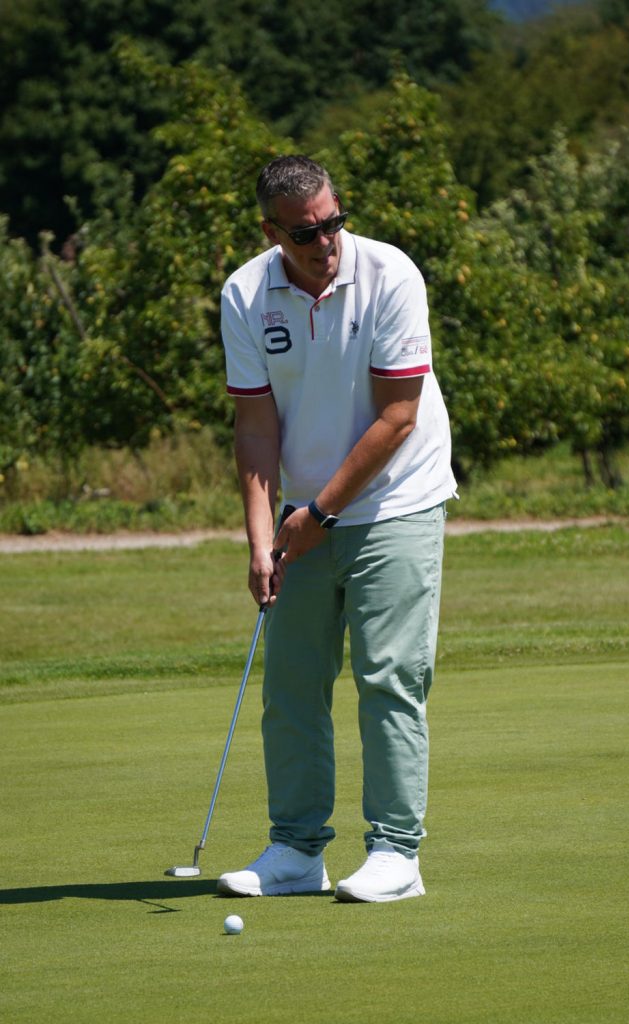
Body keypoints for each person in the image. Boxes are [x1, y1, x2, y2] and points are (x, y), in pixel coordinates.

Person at [217, 155, 457, 903]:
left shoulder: (391, 274)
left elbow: (399, 415)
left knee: (388, 677)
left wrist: (320, 513)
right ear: (272, 232)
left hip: (396, 501)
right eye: (305, 233)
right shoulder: (245, 293)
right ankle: (295, 851)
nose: (325, 242)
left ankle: (396, 853)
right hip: (300, 511)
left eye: (333, 223)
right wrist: (261, 539)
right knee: (291, 687)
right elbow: (256, 426)